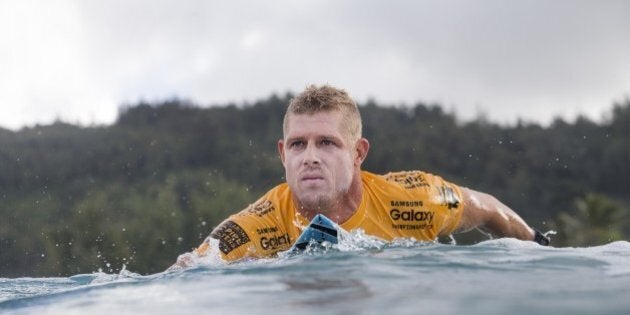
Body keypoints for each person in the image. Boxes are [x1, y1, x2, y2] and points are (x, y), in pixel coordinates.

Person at [171, 84, 549, 269]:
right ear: (283, 155)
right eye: (299, 145)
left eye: (328, 144)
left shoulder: (412, 200)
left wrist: (544, 254)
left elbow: (488, 209)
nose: (311, 158)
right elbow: (185, 272)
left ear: (358, 153)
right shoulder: (257, 226)